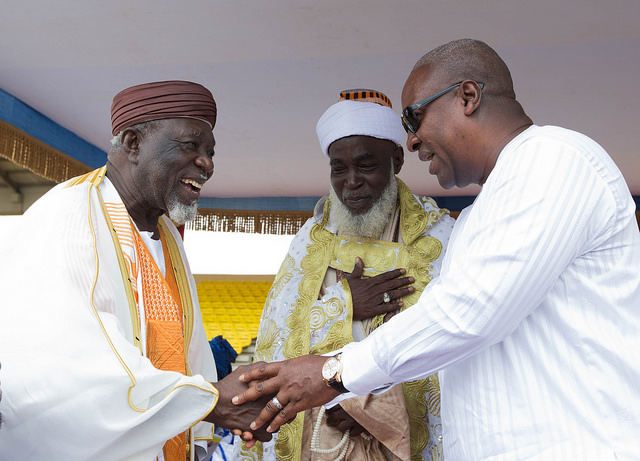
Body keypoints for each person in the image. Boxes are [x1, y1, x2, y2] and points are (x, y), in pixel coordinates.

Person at [233, 39, 640, 460]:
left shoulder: (552, 160)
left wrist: (336, 373)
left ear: (467, 97)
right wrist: (352, 387)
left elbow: (468, 313)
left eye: (415, 117)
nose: (412, 140)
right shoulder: (487, 209)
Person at [0, 80, 272, 460]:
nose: (207, 163)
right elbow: (66, 374)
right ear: (132, 143)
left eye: (210, 151)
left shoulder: (166, 235)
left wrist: (222, 408)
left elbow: (184, 354)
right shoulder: (69, 215)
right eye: (191, 145)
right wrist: (209, 402)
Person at [237, 89, 454, 461]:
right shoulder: (311, 240)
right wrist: (345, 304)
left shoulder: (437, 238)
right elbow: (279, 337)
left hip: (402, 438)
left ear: (397, 160)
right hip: (317, 431)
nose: (351, 181)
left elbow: (451, 340)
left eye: (366, 165)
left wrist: (372, 402)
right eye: (339, 168)